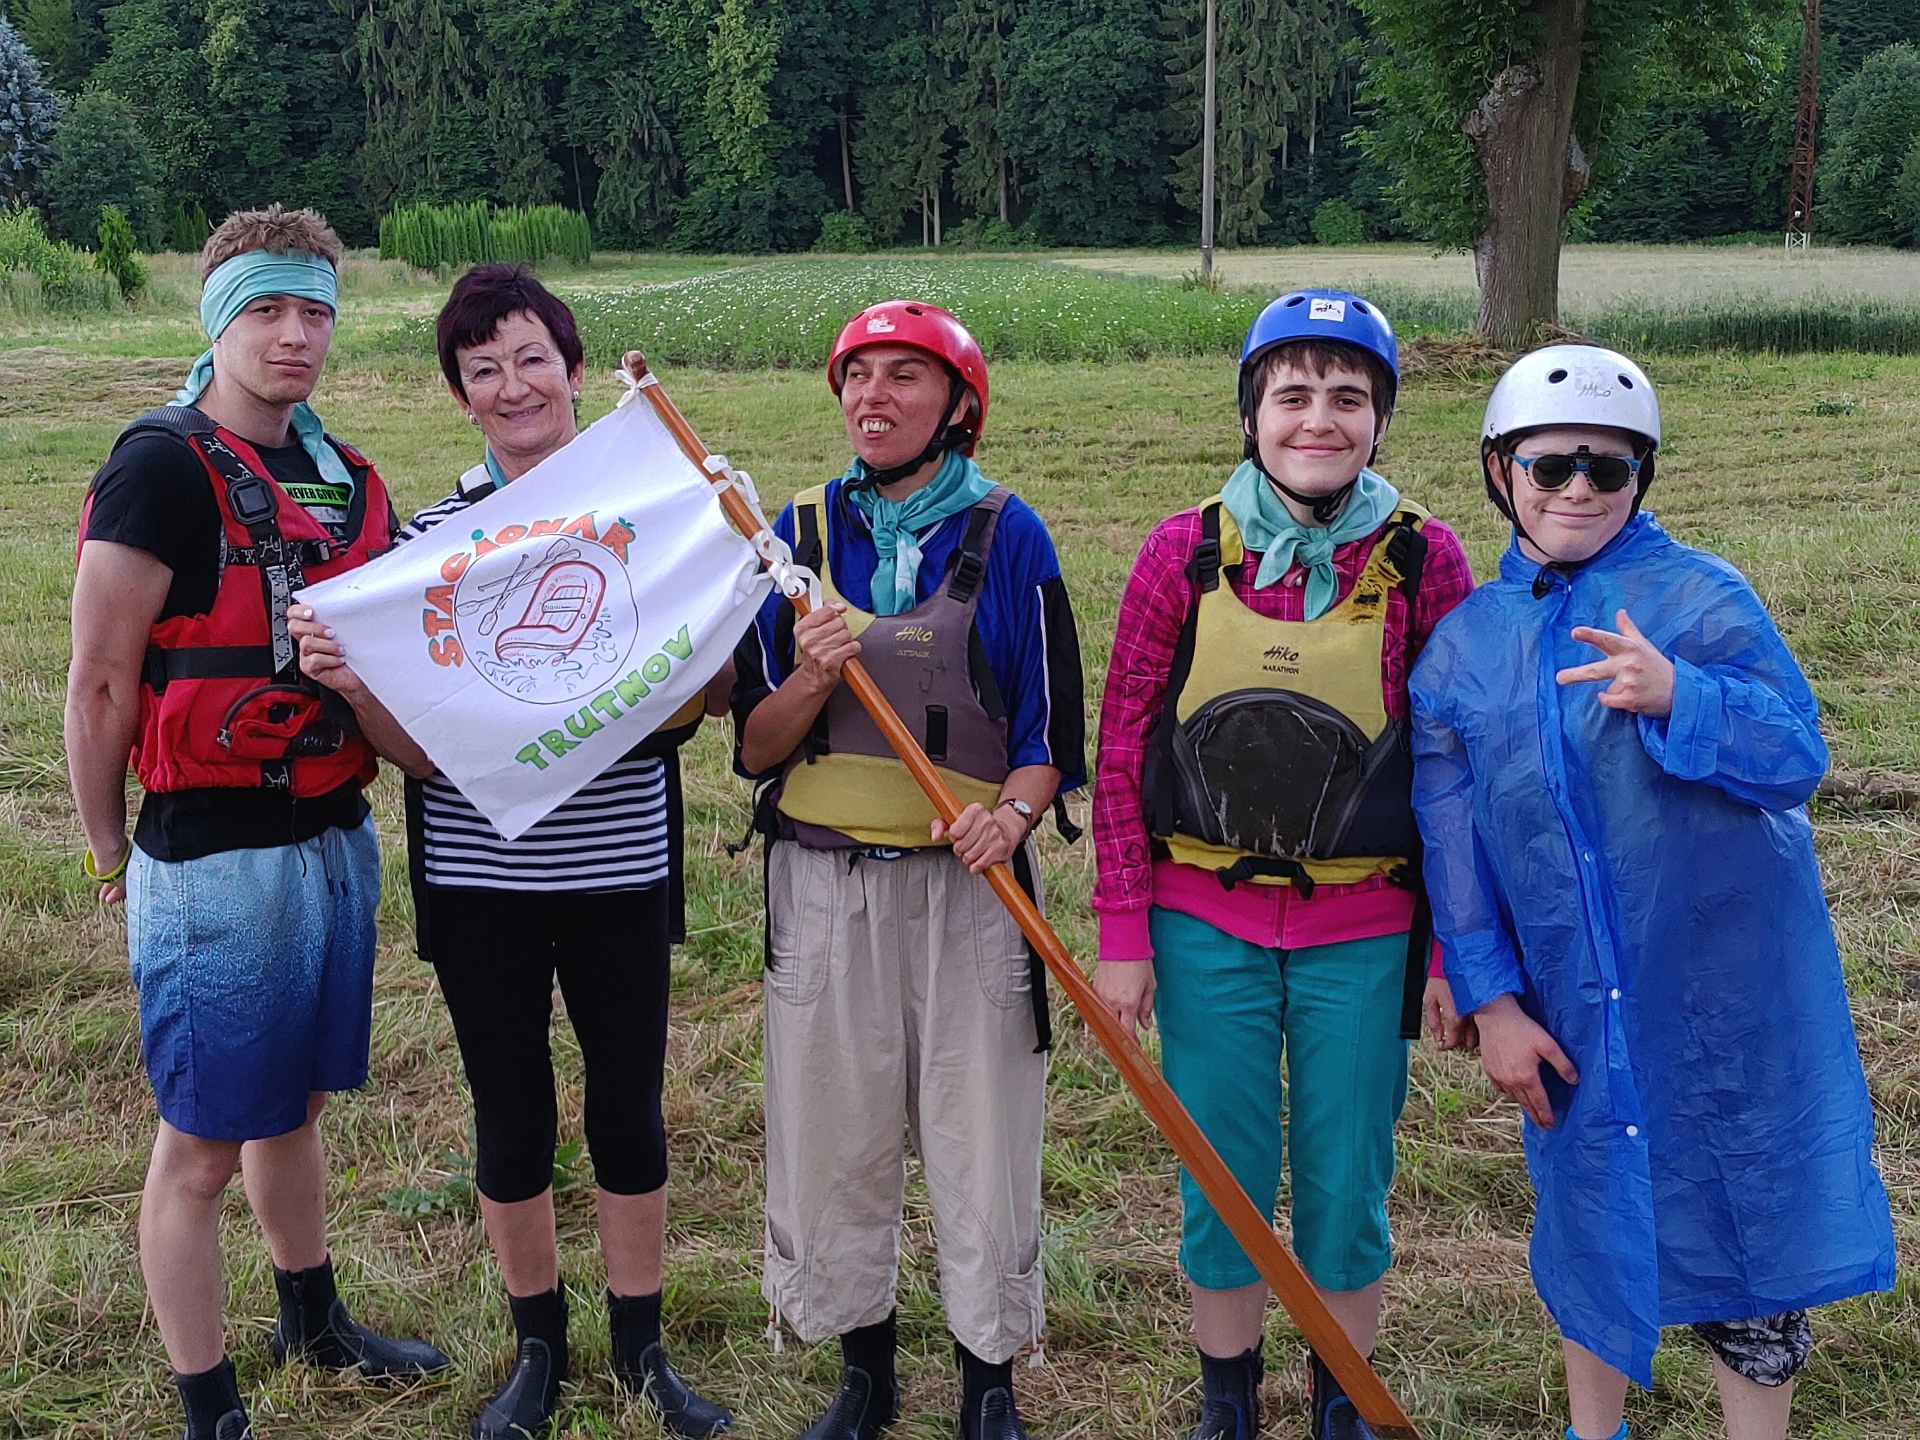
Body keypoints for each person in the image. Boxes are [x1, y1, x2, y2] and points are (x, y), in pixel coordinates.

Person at [1409, 344, 1897, 1440]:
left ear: (1642, 476)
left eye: (1608, 467)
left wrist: (1684, 694)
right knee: (1588, 1216)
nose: (1578, 489)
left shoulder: (1703, 597)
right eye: (1551, 466)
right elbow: (1454, 847)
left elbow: (1795, 757)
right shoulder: (1462, 651)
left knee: (1748, 1215)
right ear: (1500, 471)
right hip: (1570, 1003)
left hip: (1723, 992)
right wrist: (1491, 1001)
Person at [289, 263, 732, 1439]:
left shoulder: (660, 509)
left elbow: (706, 700)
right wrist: (354, 683)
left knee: (628, 1108)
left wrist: (719, 579)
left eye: (534, 357)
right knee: (511, 1112)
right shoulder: (430, 547)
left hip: (618, 867)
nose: (513, 384)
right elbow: (420, 758)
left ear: (576, 370)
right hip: (480, 880)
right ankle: (539, 1349)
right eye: (483, 369)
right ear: (459, 395)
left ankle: (640, 1349)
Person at [64, 204, 450, 1440]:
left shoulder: (342, 478)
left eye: (315, 311)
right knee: (203, 1147)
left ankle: (312, 1318)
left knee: (298, 1103)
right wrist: (109, 851)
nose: (295, 335)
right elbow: (100, 682)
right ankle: (209, 1405)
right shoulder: (159, 467)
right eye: (267, 310)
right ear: (219, 320)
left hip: (334, 833)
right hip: (212, 851)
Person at [1089, 289, 1475, 1440]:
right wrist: (1122, 934)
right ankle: (1230, 1405)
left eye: (1348, 398)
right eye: (1292, 394)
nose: (1319, 419)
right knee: (1222, 1175)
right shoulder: (1183, 551)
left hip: (1364, 928)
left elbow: (1457, 775)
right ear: (1251, 414)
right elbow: (1122, 748)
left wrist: (1453, 955)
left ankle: (1340, 1407)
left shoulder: (1425, 560)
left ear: (1381, 421)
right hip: (1201, 921)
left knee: (1347, 1186)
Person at [730, 300, 1086, 1440]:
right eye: (857, 376)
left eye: (904, 377)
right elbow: (754, 749)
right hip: (824, 890)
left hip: (969, 891)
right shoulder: (790, 538)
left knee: (982, 1138)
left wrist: (1011, 820)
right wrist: (811, 677)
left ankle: (990, 1384)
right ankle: (865, 1374)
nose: (872, 398)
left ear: (958, 406)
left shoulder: (1012, 535)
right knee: (835, 1131)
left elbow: (1048, 739)